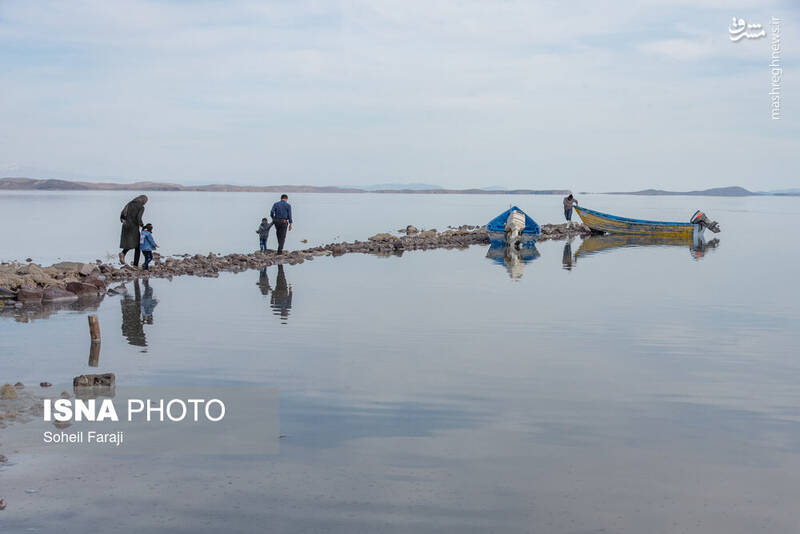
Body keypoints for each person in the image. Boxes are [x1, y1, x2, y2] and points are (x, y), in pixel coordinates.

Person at [119, 195, 148, 266]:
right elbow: (138, 218)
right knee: (138, 246)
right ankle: (135, 264)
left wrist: (125, 222)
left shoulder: (129, 204)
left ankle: (123, 253)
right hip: (133, 227)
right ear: (143, 201)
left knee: (131, 243)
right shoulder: (141, 207)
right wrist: (143, 226)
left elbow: (122, 215)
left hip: (125, 226)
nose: (145, 203)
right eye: (145, 201)